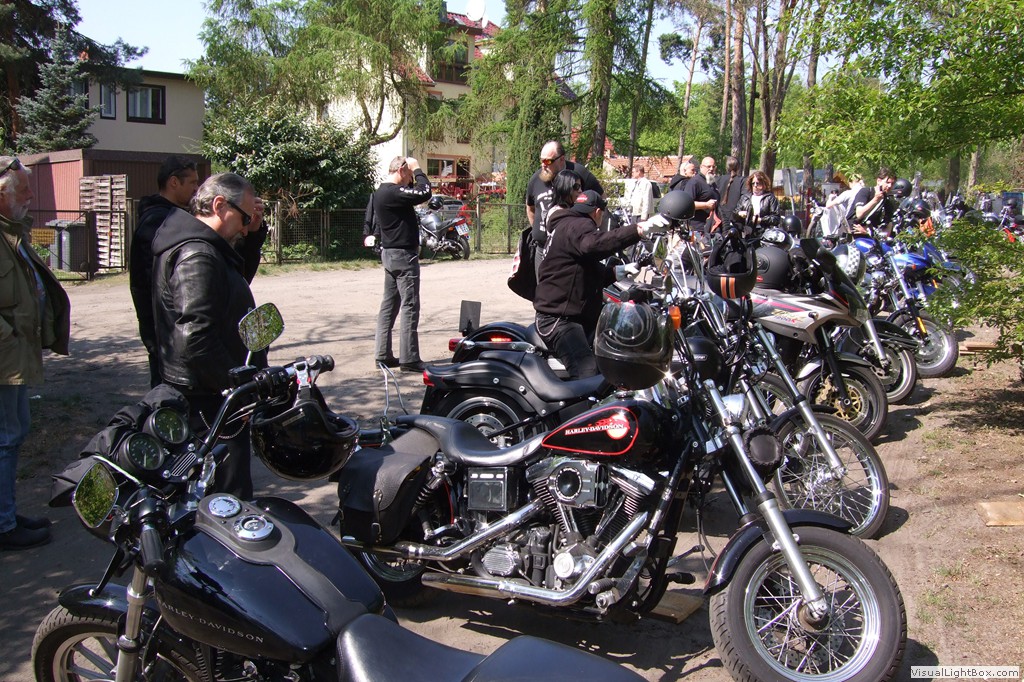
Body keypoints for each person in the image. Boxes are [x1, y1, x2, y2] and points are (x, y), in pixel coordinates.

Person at [151, 172, 264, 499]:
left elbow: (232, 283)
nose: (246, 228)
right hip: (207, 400)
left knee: (221, 492)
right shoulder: (197, 255)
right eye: (244, 218)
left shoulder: (206, 247)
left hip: (209, 394)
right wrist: (236, 386)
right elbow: (195, 337)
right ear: (219, 205)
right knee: (227, 497)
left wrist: (253, 235)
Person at [533, 171, 668, 380]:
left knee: (614, 353)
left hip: (569, 314)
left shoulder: (566, 225)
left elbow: (582, 271)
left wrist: (621, 270)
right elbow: (594, 245)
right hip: (559, 320)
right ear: (597, 212)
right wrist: (639, 229)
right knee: (588, 373)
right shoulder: (578, 225)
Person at [0, 156, 71, 550]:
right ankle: (3, 525)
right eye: (24, 190)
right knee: (5, 438)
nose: (31, 196)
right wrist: (9, 337)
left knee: (14, 434)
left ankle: (6, 515)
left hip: (14, 357)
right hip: (5, 357)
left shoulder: (11, 233)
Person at [129, 156, 199, 388]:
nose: (196, 189)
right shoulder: (159, 222)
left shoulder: (169, 217)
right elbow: (157, 280)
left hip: (167, 328)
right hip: (165, 330)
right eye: (192, 182)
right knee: (167, 392)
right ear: (174, 182)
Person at [365, 156, 432, 371]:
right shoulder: (393, 192)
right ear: (401, 170)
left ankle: (382, 355)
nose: (411, 180)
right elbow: (425, 192)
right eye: (409, 175)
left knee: (389, 306)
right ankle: (409, 359)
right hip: (403, 256)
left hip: (390, 254)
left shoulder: (380, 193)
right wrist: (418, 169)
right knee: (410, 305)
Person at [526, 140, 603, 259]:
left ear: (561, 159)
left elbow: (600, 200)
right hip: (542, 250)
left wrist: (589, 227)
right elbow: (530, 209)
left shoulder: (579, 173)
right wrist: (539, 231)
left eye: (548, 161)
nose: (543, 165)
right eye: (541, 160)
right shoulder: (536, 179)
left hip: (571, 250)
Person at [847, 167, 895, 236]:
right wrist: (875, 199)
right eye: (887, 182)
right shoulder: (865, 192)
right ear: (878, 181)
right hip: (852, 232)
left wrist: (869, 232)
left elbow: (888, 224)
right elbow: (859, 214)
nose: (890, 186)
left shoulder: (887, 201)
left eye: (892, 183)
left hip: (869, 235)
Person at [732, 170, 781, 238]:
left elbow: (776, 218)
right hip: (747, 233)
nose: (755, 185)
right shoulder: (745, 198)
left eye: (758, 183)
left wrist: (761, 220)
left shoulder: (770, 198)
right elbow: (734, 214)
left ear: (764, 184)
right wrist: (739, 213)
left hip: (764, 233)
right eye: (753, 183)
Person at [682, 157, 719, 235]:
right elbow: (687, 204)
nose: (711, 169)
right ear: (701, 167)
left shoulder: (712, 182)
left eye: (713, 167)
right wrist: (706, 205)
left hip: (712, 227)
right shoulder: (694, 182)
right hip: (698, 229)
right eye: (708, 166)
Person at [716, 156, 746, 227]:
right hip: (736, 219)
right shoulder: (742, 181)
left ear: (726, 167)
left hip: (720, 218)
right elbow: (744, 199)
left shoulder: (718, 179)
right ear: (738, 167)